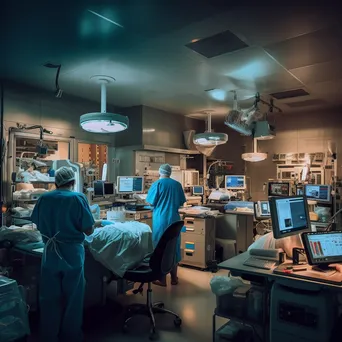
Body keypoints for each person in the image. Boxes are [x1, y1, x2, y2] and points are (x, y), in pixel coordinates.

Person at [31, 166, 95, 342]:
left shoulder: (44, 198)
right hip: (72, 253)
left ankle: (49, 335)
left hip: (50, 252)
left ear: (56, 182)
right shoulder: (77, 198)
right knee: (73, 297)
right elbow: (89, 230)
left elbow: (37, 223)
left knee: (49, 297)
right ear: (73, 182)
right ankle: (71, 336)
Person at [147, 164, 186, 286]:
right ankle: (174, 278)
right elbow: (180, 202)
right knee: (173, 247)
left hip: (161, 220)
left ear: (160, 172)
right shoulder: (177, 185)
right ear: (170, 172)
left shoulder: (157, 184)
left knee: (161, 249)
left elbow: (150, 202)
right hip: (174, 220)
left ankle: (161, 279)